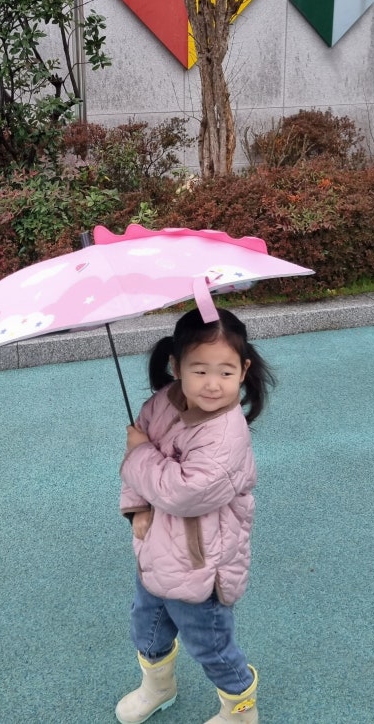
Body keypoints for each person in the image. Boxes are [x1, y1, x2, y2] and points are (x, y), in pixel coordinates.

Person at [116, 307, 274, 724]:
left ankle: (240, 709)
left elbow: (184, 493)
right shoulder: (162, 403)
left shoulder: (225, 434)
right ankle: (158, 686)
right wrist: (136, 508)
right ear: (176, 366)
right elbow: (137, 464)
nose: (212, 383)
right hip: (156, 548)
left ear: (243, 370)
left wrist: (140, 454)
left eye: (225, 372)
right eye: (199, 370)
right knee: (147, 625)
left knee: (211, 645)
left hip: (201, 564)